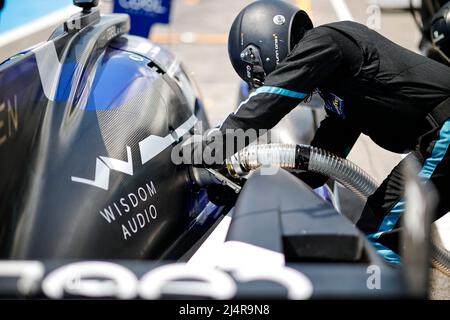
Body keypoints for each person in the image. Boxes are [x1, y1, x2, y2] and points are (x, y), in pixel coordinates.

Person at [184, 0, 450, 265]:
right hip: (436, 138)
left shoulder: (327, 41)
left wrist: (215, 146)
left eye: (261, 77)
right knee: (378, 229)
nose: (269, 82)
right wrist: (243, 187)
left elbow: (270, 101)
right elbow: (319, 167)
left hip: (444, 131)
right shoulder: (340, 87)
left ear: (262, 50)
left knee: (379, 236)